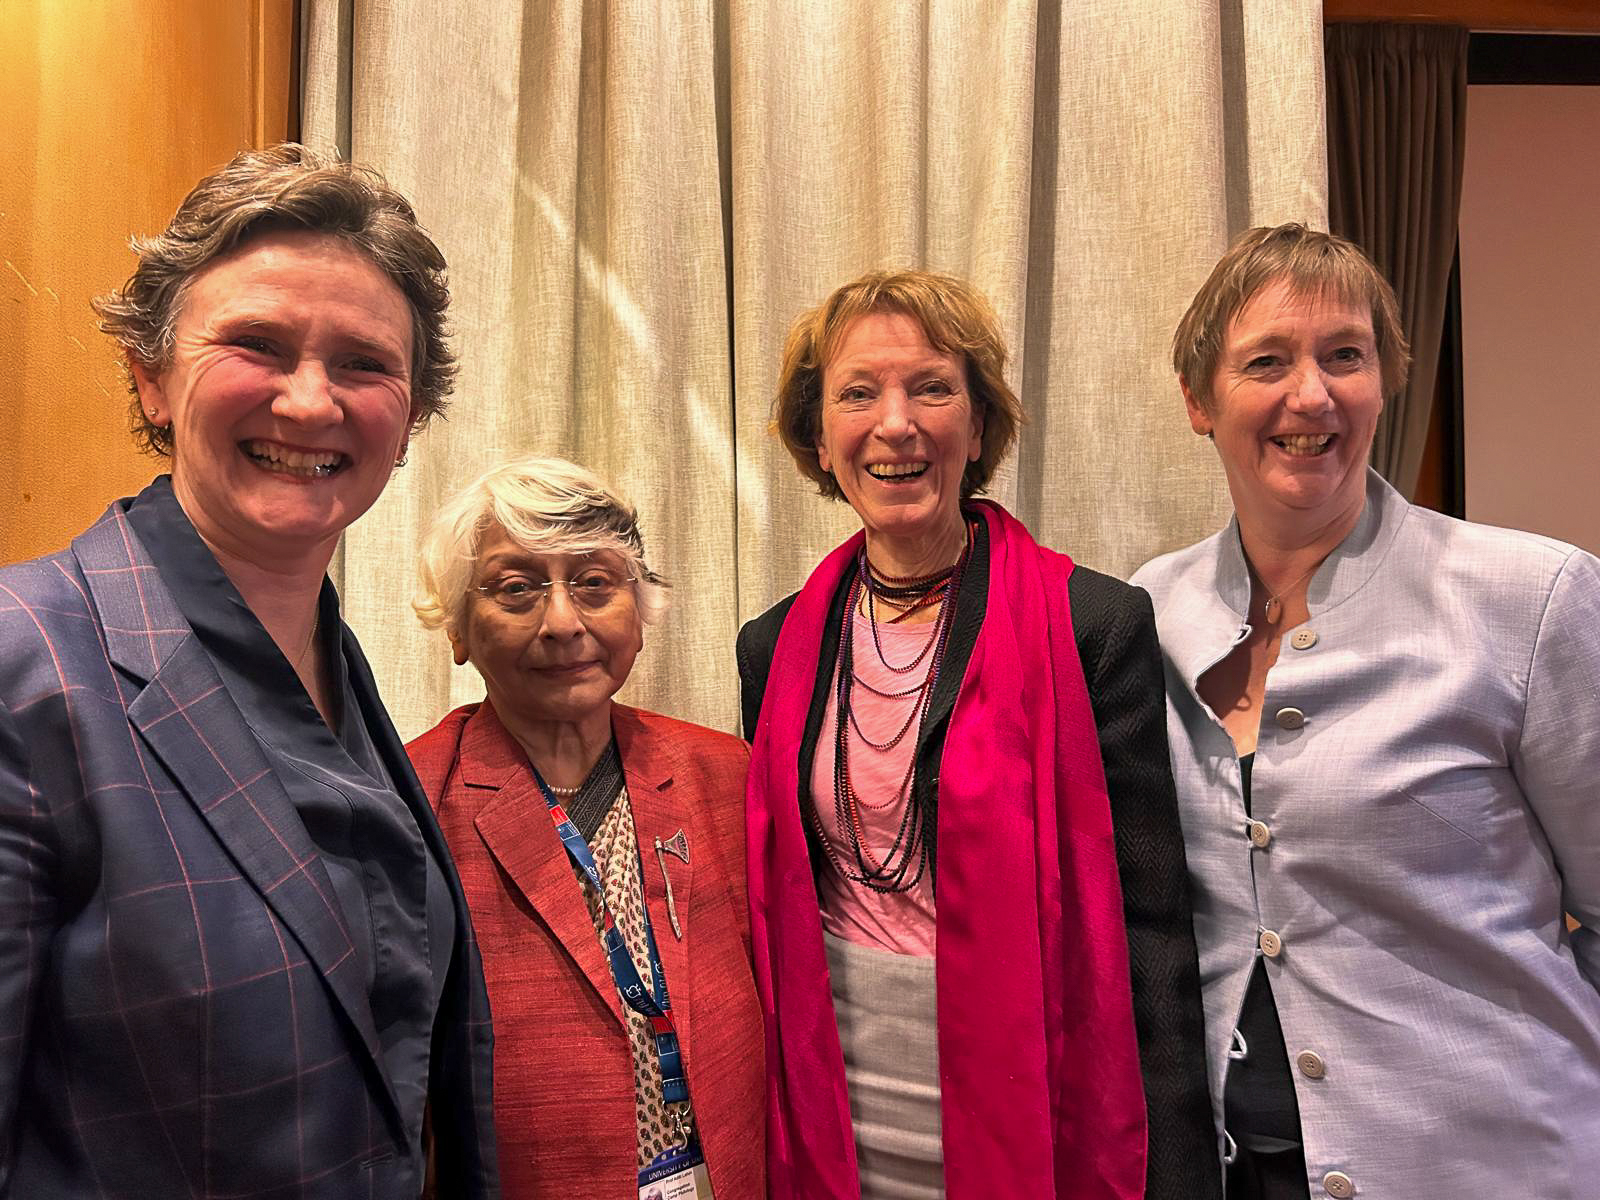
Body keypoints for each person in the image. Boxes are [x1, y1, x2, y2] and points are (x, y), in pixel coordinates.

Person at [0, 145, 498, 1198]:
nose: (312, 402)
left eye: (364, 364)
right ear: (152, 372)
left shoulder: (334, 664)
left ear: (408, 420)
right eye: (257, 345)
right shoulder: (25, 663)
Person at [1132, 223, 1600, 1200]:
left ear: (1382, 382)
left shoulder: (1531, 595)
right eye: (1266, 361)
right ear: (1196, 401)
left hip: (1495, 1169)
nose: (1311, 393)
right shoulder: (1150, 613)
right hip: (1237, 1173)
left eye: (1345, 355)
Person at [738, 269, 1217, 1199]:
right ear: (819, 435)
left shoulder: (1093, 625)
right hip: (836, 1099)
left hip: (1038, 1088)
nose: (896, 423)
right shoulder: (774, 646)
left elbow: (1153, 926)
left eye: (931, 387)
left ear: (979, 421)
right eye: (857, 393)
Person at [408, 454, 764, 1199]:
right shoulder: (412, 805)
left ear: (639, 609)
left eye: (595, 583)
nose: (564, 622)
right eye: (516, 588)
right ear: (459, 628)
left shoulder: (724, 774)